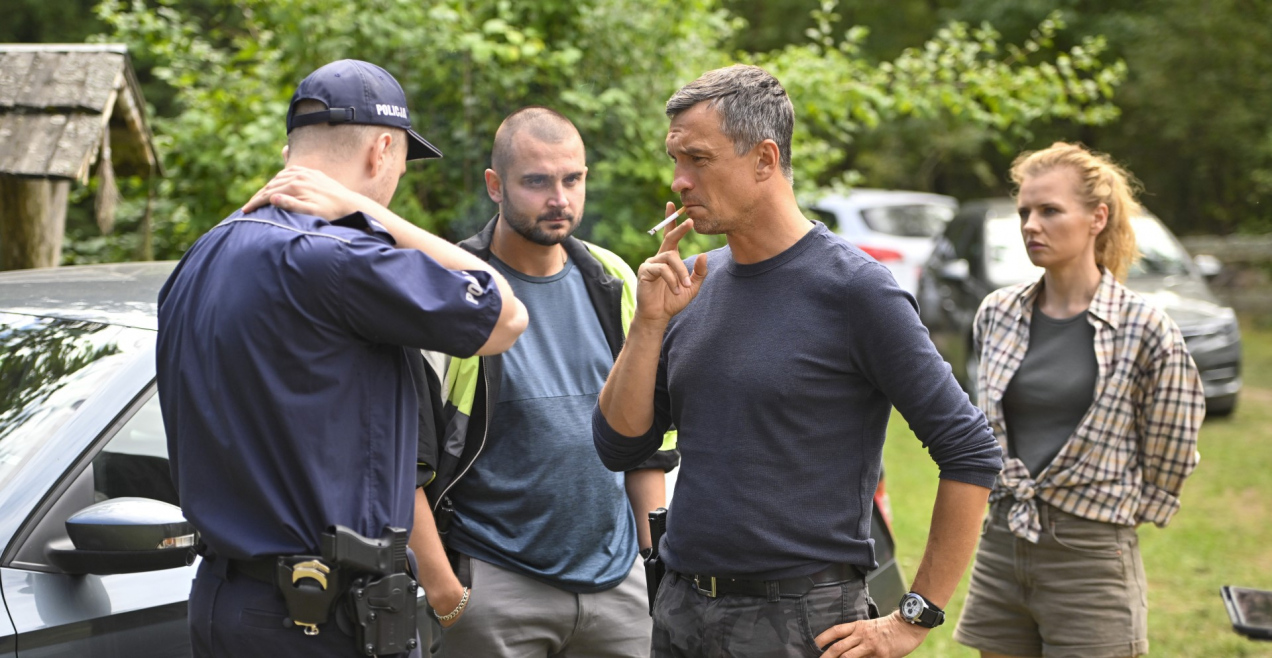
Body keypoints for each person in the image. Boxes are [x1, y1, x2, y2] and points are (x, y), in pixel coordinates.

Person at [592, 64, 1004, 658]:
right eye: (675, 160)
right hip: (681, 609)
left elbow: (970, 450)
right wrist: (648, 325)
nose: (679, 181)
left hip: (800, 622)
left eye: (699, 160)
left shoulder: (856, 290)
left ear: (764, 159)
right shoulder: (693, 284)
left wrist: (913, 617)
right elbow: (620, 446)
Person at [156, 59, 528, 658]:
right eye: (402, 163)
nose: (396, 180)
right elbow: (506, 314)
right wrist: (375, 215)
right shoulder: (339, 256)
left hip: (225, 600)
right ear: (381, 151)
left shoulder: (206, 251)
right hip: (318, 619)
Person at [952, 142, 1204, 658]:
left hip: (1091, 556)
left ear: (1097, 218)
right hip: (1002, 542)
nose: (1031, 225)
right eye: (1024, 212)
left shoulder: (1144, 326)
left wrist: (1108, 514)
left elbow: (1173, 443)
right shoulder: (997, 313)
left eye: (1050, 210)